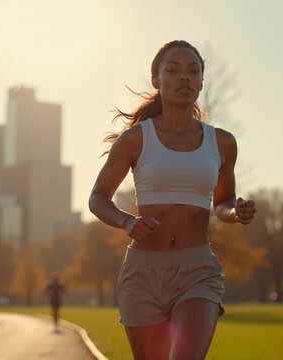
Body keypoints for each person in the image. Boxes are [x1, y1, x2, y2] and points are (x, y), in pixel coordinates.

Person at [89, 40, 256, 360]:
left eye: (193, 72)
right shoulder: (135, 139)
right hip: (143, 274)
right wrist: (127, 221)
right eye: (174, 70)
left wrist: (236, 211)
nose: (185, 78)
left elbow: (222, 202)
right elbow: (98, 198)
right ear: (156, 80)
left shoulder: (222, 142)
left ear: (202, 82)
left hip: (198, 271)